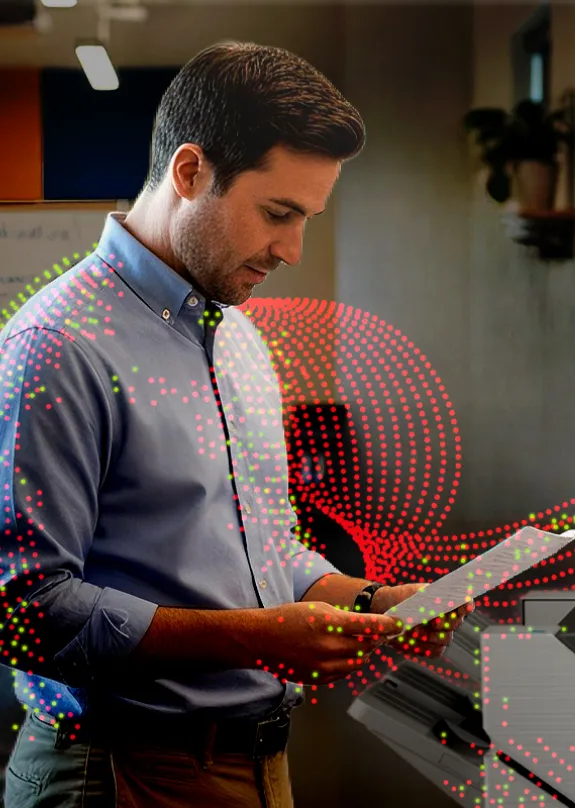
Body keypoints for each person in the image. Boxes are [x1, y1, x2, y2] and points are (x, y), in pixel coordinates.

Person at [0, 41, 471, 808]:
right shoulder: (57, 344)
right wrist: (256, 635)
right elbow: (22, 613)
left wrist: (360, 599)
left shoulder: (237, 332)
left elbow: (261, 546)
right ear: (189, 173)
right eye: (278, 214)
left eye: (307, 218)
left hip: (256, 763)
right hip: (117, 775)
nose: (290, 249)